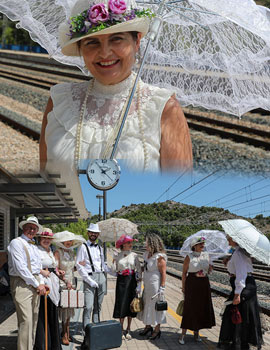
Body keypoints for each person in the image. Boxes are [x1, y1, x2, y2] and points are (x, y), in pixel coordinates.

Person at [39, 0, 193, 175]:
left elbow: (177, 191)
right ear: (80, 48)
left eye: (117, 39)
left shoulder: (164, 108)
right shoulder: (59, 101)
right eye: (92, 42)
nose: (105, 53)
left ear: (137, 42)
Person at [7, 216, 47, 350]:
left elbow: (37, 268)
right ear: (23, 228)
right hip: (21, 283)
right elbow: (21, 268)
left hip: (35, 282)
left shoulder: (34, 246)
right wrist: (37, 284)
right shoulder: (16, 243)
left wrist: (41, 282)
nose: (32, 230)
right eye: (29, 227)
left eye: (34, 228)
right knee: (26, 320)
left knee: (34, 320)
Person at [217, 235, 263, 350]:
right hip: (246, 285)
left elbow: (241, 275)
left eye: (229, 238)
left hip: (243, 288)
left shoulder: (238, 254)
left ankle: (240, 344)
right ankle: (240, 342)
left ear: (235, 239)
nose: (228, 240)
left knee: (239, 314)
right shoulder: (239, 252)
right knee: (243, 315)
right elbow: (238, 271)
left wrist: (237, 294)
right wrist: (228, 264)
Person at [179, 236, 215, 345]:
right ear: (194, 246)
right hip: (192, 283)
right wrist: (184, 287)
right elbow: (184, 273)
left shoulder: (206, 256)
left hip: (203, 284)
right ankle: (183, 334)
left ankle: (196, 333)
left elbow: (208, 272)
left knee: (200, 308)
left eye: (203, 243)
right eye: (200, 244)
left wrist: (210, 269)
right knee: (189, 308)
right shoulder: (188, 257)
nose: (203, 245)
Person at [53, 230, 86, 346]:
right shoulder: (58, 252)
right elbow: (55, 269)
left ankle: (66, 332)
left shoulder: (72, 253)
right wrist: (63, 279)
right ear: (62, 241)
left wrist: (79, 266)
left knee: (69, 309)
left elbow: (72, 269)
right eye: (67, 240)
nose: (69, 242)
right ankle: (64, 335)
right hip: (62, 283)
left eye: (71, 240)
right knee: (64, 309)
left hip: (71, 283)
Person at [76, 223, 109, 336]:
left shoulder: (99, 248)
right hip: (90, 277)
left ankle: (96, 328)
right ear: (88, 233)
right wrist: (89, 280)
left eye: (95, 233)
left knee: (98, 306)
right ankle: (85, 331)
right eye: (91, 232)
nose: (93, 234)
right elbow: (79, 265)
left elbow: (103, 265)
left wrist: (113, 270)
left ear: (98, 234)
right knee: (88, 306)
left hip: (101, 277)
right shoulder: (83, 247)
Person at [34, 228, 62, 350]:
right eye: (44, 238)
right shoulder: (36, 250)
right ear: (40, 238)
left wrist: (57, 271)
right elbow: (33, 266)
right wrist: (42, 272)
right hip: (42, 282)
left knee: (52, 314)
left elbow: (52, 266)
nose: (47, 240)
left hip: (53, 282)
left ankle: (54, 345)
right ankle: (43, 345)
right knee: (42, 314)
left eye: (49, 239)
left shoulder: (50, 251)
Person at [137, 233, 167, 340]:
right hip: (147, 284)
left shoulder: (159, 257)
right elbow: (145, 267)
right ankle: (148, 326)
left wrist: (162, 288)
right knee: (147, 305)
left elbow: (163, 273)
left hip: (155, 285)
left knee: (155, 307)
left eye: (147, 243)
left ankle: (157, 329)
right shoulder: (146, 254)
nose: (145, 244)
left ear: (153, 244)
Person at [112, 234, 142, 340]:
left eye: (131, 242)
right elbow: (114, 270)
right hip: (121, 281)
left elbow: (138, 270)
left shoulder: (134, 255)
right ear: (123, 244)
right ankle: (121, 329)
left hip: (132, 280)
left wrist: (139, 285)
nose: (130, 244)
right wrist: (113, 260)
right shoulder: (118, 255)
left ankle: (128, 329)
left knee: (130, 305)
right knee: (121, 304)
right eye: (128, 242)